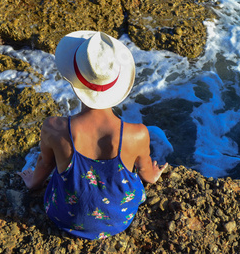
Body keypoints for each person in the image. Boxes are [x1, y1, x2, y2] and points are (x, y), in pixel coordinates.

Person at [17, 31, 168, 240]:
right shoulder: (137, 134)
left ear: (73, 79)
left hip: (64, 217)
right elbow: (147, 175)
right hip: (119, 220)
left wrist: (32, 182)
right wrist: (154, 172)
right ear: (116, 83)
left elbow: (44, 165)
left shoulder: (54, 127)